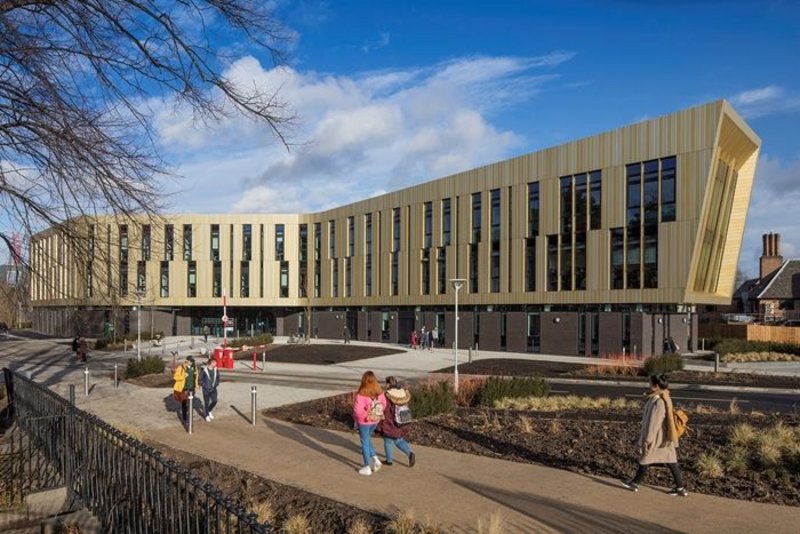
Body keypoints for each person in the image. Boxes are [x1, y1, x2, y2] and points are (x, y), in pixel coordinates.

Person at [621, 374, 688, 496]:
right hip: (665, 438)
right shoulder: (663, 397)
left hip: (658, 438)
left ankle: (635, 483)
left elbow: (653, 423)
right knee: (671, 460)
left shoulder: (658, 402)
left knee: (646, 457)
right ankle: (680, 488)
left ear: (655, 386)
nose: (648, 385)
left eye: (650, 383)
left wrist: (647, 440)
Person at [352, 370, 387, 476]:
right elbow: (384, 405)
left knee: (364, 443)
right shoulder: (380, 392)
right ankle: (376, 460)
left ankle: (367, 466)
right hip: (375, 419)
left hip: (364, 421)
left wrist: (358, 419)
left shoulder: (361, 394)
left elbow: (357, 411)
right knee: (367, 439)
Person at [377, 376, 416, 467]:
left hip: (390, 422)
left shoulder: (387, 394)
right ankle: (410, 453)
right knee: (399, 440)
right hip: (402, 420)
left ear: (388, 384)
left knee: (388, 441)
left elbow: (384, 407)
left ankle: (389, 460)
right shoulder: (403, 392)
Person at [173, 356, 198, 424]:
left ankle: (189, 416)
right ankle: (185, 418)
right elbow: (175, 377)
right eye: (190, 361)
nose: (191, 362)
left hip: (191, 388)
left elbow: (196, 377)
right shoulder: (181, 367)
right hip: (184, 388)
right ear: (187, 361)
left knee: (190, 403)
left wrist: (196, 385)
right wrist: (183, 376)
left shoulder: (194, 368)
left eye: (192, 361)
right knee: (184, 403)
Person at [199, 357, 220, 422]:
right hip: (206, 389)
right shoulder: (204, 370)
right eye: (215, 363)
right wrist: (204, 386)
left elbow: (218, 378)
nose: (216, 364)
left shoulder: (216, 370)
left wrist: (216, 384)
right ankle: (207, 415)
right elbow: (200, 380)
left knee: (215, 400)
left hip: (213, 388)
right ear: (211, 363)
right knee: (206, 402)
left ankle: (209, 410)